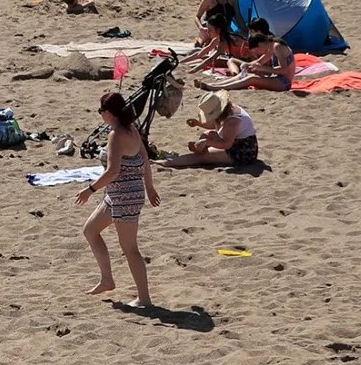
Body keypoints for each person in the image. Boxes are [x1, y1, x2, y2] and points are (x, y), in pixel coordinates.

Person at [77, 91, 159, 308]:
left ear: (108, 112)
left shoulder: (117, 134)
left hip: (125, 196)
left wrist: (90, 189)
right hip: (117, 195)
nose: (100, 115)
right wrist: (149, 188)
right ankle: (107, 279)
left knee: (130, 248)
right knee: (90, 230)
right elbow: (145, 160)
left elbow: (113, 171)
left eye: (100, 111)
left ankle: (144, 299)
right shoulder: (132, 130)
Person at [162, 91, 259, 168]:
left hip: (243, 151)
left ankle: (170, 162)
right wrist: (198, 123)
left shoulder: (232, 120)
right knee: (206, 134)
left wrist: (207, 142)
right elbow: (215, 126)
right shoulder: (228, 110)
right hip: (236, 141)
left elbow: (227, 144)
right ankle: (200, 151)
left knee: (202, 157)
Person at [198, 18, 296, 91]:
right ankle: (216, 85)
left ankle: (218, 88)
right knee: (246, 74)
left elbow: (283, 70)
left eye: (256, 51)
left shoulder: (277, 47)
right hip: (277, 78)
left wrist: (262, 68)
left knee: (251, 78)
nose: (258, 53)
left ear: (260, 45)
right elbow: (260, 61)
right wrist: (249, 65)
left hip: (284, 82)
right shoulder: (270, 47)